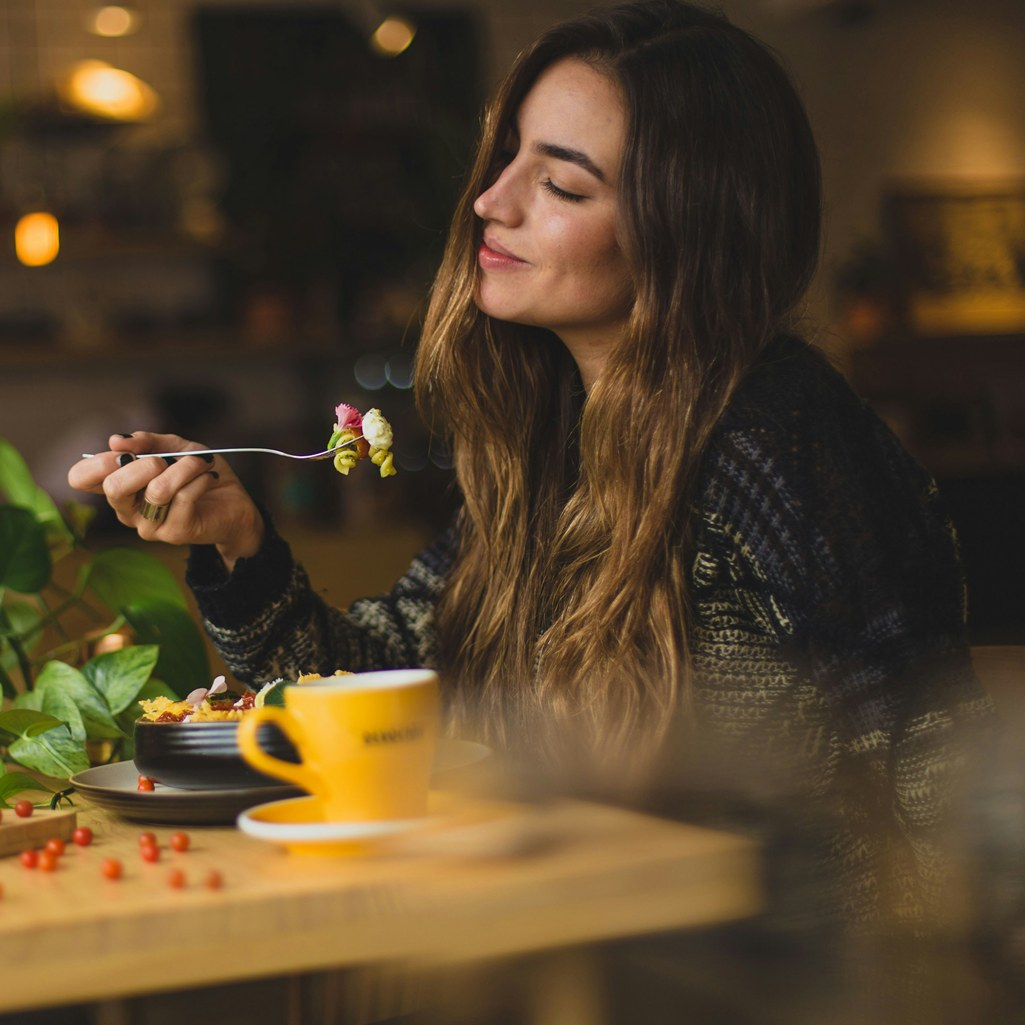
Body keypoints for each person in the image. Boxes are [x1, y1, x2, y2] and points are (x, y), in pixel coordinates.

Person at [69, 0, 990, 932]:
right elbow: (385, 689)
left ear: (686, 231)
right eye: (507, 154)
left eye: (561, 185)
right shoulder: (555, 442)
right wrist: (240, 543)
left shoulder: (776, 438)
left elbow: (929, 769)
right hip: (585, 943)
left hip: (755, 975)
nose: (490, 200)